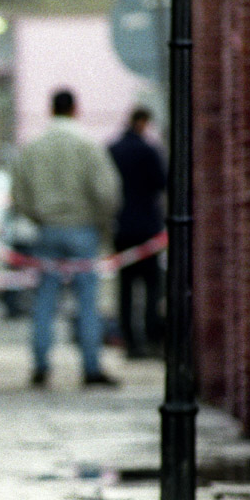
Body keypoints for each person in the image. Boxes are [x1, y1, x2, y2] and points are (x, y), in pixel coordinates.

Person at [9, 88, 121, 388]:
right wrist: (101, 223)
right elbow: (107, 191)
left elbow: (19, 193)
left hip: (46, 229)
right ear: (75, 109)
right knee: (87, 301)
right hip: (83, 229)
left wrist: (37, 216)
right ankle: (91, 367)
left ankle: (41, 366)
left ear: (50, 109)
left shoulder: (34, 147)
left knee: (44, 300)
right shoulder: (88, 146)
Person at [108, 106, 167, 359]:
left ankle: (129, 339)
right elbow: (161, 182)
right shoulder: (148, 150)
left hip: (121, 227)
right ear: (143, 122)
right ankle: (151, 335)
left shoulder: (113, 149)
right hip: (146, 228)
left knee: (126, 287)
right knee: (152, 285)